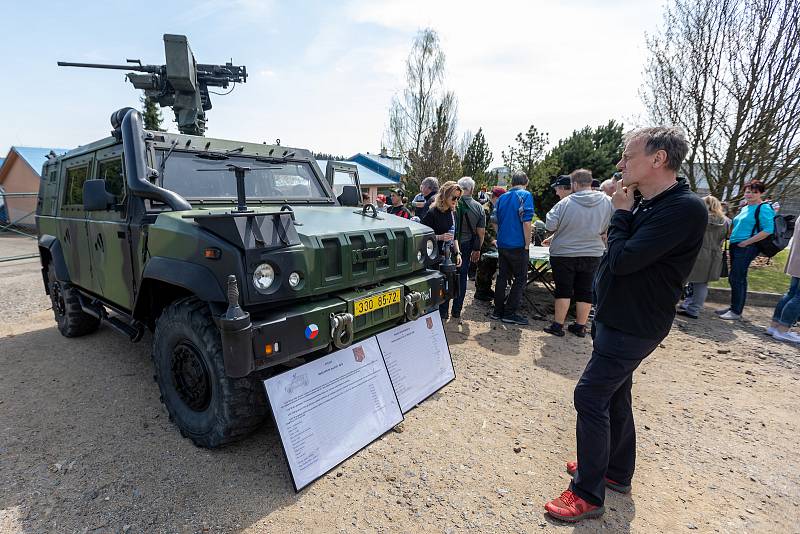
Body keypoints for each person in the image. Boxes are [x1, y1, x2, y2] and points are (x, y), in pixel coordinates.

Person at [544, 126, 707, 522]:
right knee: (616, 395)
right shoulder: (648, 203)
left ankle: (587, 494)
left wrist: (619, 215)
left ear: (658, 159)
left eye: (628, 156)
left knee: (589, 396)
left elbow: (622, 259)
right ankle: (615, 471)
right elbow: (618, 251)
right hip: (616, 317)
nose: (620, 164)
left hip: (636, 323)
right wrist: (624, 215)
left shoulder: (683, 208)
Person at [543, 169, 613, 338]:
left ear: (574, 184)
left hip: (564, 253)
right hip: (593, 251)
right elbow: (620, 219)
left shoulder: (565, 203)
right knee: (586, 289)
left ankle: (558, 325)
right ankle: (580, 326)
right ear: (591, 182)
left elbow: (550, 225)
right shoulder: (608, 201)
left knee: (563, 289)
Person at [716, 180, 775, 320]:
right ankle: (734, 308)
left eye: (755, 192)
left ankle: (736, 311)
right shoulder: (745, 207)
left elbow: (768, 230)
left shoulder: (764, 208)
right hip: (736, 245)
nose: (750, 194)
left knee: (737, 277)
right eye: (748, 191)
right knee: (736, 277)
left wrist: (747, 242)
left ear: (761, 193)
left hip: (748, 246)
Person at [490, 173, 535, 326]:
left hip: (503, 243)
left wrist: (500, 234)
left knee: (502, 276)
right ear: (526, 182)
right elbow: (527, 222)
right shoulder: (525, 195)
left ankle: (498, 311)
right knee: (521, 278)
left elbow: (493, 219)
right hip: (518, 244)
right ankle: (510, 312)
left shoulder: (502, 197)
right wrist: (527, 244)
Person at [677, 196, 729, 319]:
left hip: (696, 251)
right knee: (701, 284)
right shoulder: (726, 222)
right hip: (713, 255)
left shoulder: (700, 218)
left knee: (681, 279)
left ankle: (670, 304)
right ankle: (694, 309)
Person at [421, 181, 463, 320]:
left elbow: (454, 236)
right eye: (454, 198)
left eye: (458, 198)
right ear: (444, 196)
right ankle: (431, 319)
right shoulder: (433, 212)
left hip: (448, 257)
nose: (456, 201)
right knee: (434, 291)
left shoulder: (452, 212)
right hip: (434, 259)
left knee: (447, 289)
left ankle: (441, 317)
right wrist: (440, 237)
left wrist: (457, 253)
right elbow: (422, 235)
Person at [450, 177, 486, 319]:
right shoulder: (478, 207)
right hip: (467, 245)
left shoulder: (452, 203)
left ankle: (442, 310)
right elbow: (481, 232)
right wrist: (477, 249)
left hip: (450, 243)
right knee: (462, 276)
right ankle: (457, 310)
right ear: (472, 189)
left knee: (447, 274)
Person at [766, 234, 800, 344]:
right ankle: (782, 330)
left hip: (797, 260)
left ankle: (775, 326)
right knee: (798, 297)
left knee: (792, 293)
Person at [474, 186, 506, 302]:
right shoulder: (486, 209)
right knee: (484, 267)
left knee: (491, 267)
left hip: (494, 243)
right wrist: (492, 240)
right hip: (485, 243)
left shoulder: (497, 208)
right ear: (495, 197)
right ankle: (480, 291)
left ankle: (486, 289)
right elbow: (481, 229)